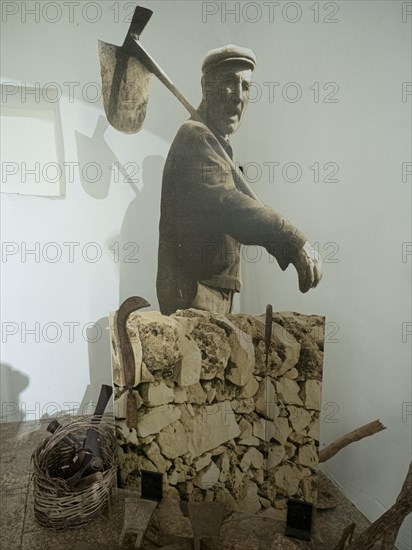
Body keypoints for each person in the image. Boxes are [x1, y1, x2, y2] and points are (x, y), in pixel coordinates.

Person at [156, 45, 322, 315]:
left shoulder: (216, 145)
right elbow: (230, 206)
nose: (239, 96)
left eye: (246, 86)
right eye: (230, 83)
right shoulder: (195, 137)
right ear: (207, 87)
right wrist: (294, 242)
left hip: (212, 293)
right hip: (196, 294)